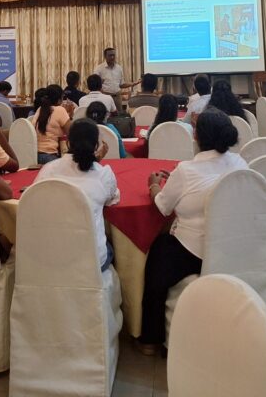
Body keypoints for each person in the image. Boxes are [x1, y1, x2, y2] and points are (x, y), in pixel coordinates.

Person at [137, 108, 249, 354]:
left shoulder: (186, 171)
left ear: (197, 136)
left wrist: (154, 186)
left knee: (158, 251)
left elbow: (163, 206)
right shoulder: (240, 163)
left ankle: (151, 338)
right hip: (234, 246)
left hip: (195, 251)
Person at [35, 119, 120, 269]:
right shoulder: (103, 175)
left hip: (50, 254)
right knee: (112, 247)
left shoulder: (48, 170)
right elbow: (112, 199)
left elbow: (35, 201)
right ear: (96, 146)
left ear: (68, 143)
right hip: (91, 261)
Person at [31, 84, 76, 164]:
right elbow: (71, 133)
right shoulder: (60, 110)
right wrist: (70, 115)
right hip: (50, 156)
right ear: (59, 99)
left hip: (34, 155)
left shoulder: (40, 109)